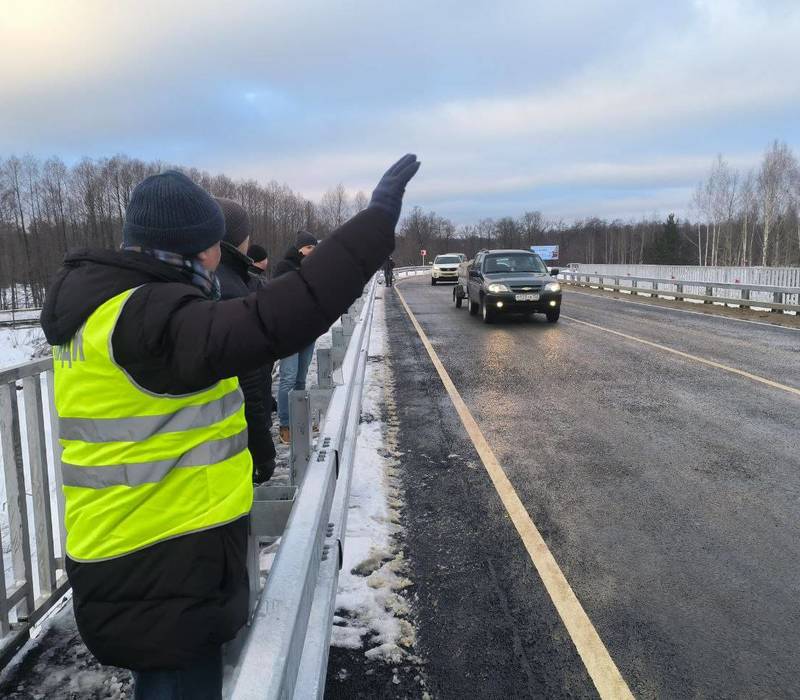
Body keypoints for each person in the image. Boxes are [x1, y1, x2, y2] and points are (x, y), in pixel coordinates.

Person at [40, 154, 420, 699]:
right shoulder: (150, 319)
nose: (223, 255)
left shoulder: (111, 310)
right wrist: (373, 225)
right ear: (195, 249)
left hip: (139, 552)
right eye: (216, 244)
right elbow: (275, 320)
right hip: (160, 565)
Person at [215, 198, 276, 484]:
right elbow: (248, 381)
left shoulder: (222, 280)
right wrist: (263, 447)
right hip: (231, 435)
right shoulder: (229, 289)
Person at [274, 230, 318, 445]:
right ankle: (285, 425)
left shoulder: (313, 268)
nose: (312, 252)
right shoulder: (285, 267)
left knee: (301, 378)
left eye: (314, 248)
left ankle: (300, 420)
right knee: (288, 379)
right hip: (289, 331)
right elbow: (286, 297)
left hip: (308, 331)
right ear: (299, 248)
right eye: (309, 248)